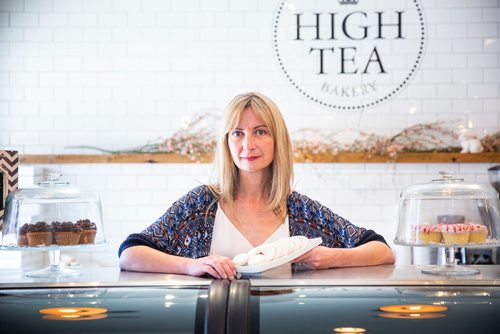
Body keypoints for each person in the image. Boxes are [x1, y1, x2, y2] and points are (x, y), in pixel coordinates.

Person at [118, 92, 395, 279]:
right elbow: (130, 254)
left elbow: (381, 251)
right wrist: (191, 265)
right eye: (238, 133)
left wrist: (331, 258)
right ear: (227, 142)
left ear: (277, 141)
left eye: (260, 131)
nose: (248, 144)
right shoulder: (201, 204)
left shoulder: (299, 209)